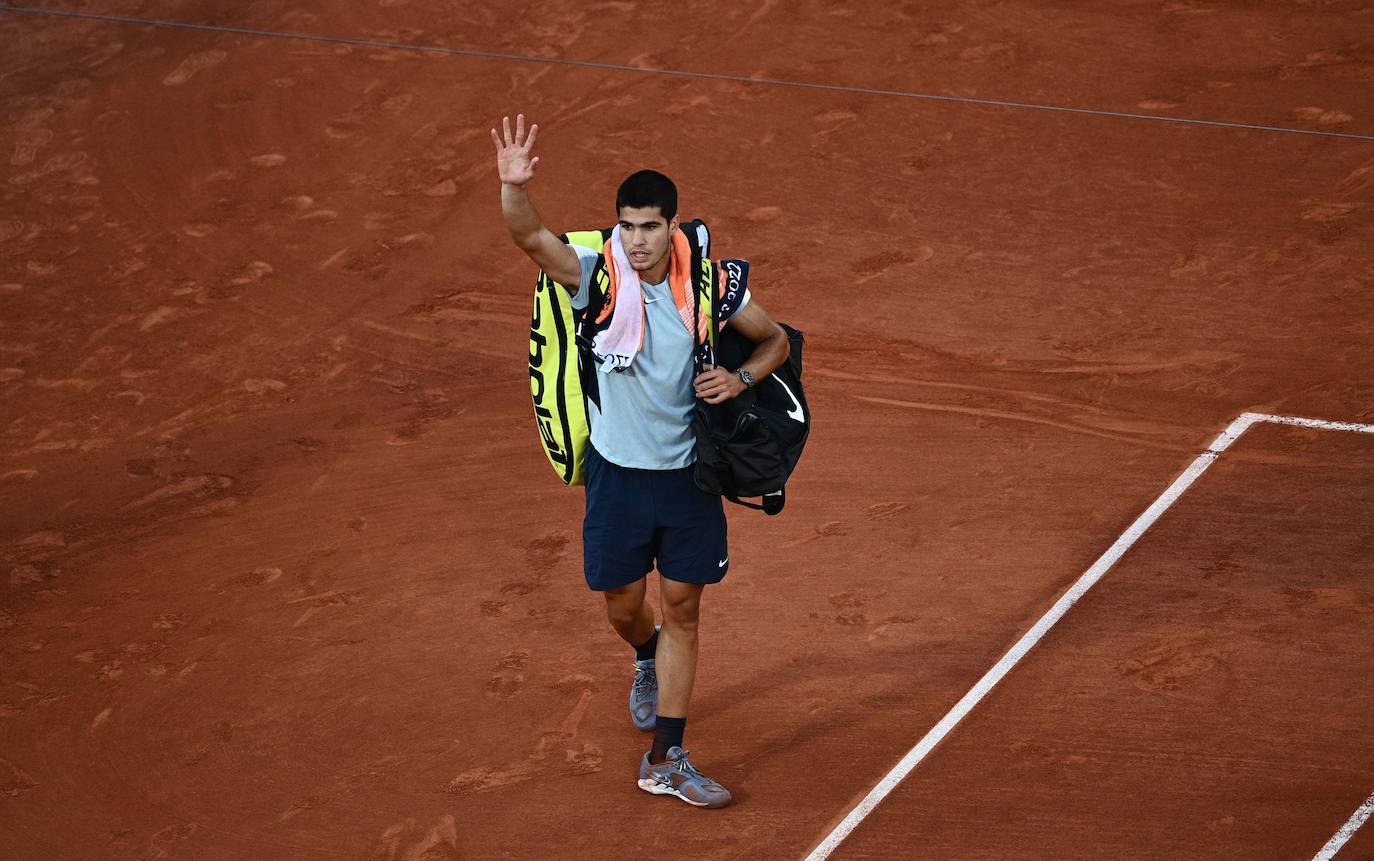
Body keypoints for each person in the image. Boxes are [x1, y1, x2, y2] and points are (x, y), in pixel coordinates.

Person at [491, 114, 790, 808]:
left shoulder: (712, 285)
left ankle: (668, 757)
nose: (637, 240)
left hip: (688, 479)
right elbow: (530, 236)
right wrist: (513, 186)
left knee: (684, 608)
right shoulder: (596, 279)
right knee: (626, 607)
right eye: (627, 226)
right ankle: (644, 654)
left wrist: (740, 379)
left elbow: (774, 340)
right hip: (618, 479)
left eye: (650, 226)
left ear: (673, 226)